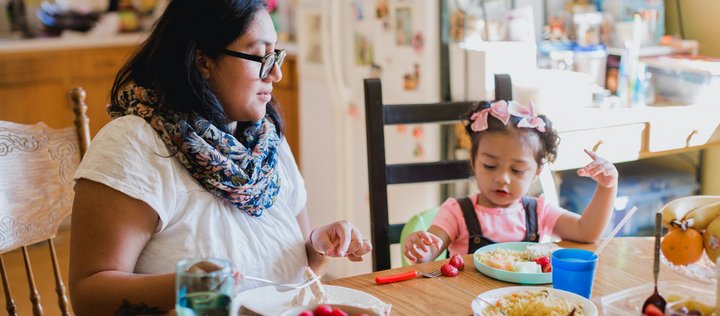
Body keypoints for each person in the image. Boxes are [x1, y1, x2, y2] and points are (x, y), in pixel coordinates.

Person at [68, 1, 372, 314]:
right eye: (259, 57)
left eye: (275, 56)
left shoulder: (266, 140)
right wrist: (186, 286)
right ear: (203, 61)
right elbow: (88, 296)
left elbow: (297, 269)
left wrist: (320, 246)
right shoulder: (133, 144)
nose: (277, 74)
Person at [403, 100, 618, 263]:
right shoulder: (456, 212)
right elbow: (431, 250)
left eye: (517, 170)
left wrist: (607, 187)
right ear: (473, 162)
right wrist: (422, 248)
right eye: (489, 165)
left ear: (536, 172)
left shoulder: (538, 212)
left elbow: (586, 231)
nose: (502, 178)